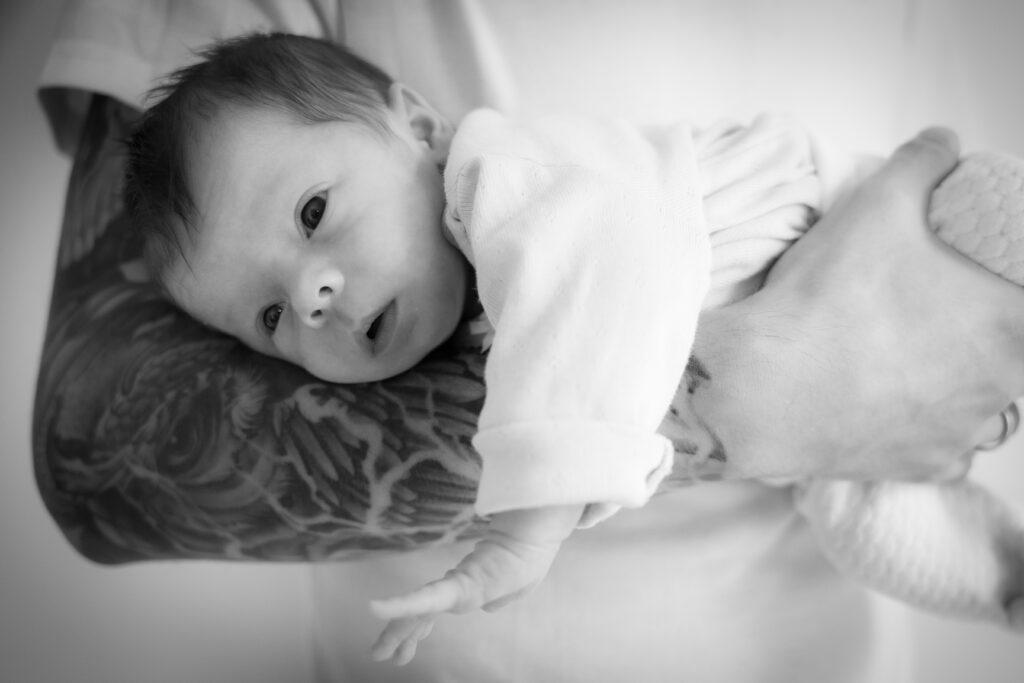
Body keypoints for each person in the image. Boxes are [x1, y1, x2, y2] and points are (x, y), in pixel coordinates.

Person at [123, 32, 1024, 674]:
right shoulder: (473, 301)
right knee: (881, 528)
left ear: (418, 129)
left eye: (313, 212)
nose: (311, 296)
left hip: (895, 219)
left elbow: (598, 292)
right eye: (270, 316)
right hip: (819, 443)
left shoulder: (503, 174)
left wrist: (526, 532)